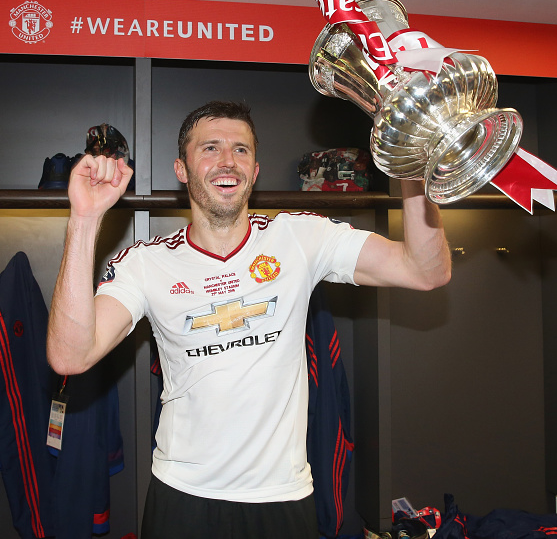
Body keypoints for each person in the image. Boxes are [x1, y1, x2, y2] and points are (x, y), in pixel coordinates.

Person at [46, 100, 451, 539]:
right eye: (210, 148)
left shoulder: (300, 236)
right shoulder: (145, 263)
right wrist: (84, 220)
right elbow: (70, 356)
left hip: (283, 499)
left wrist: (412, 171)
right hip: (182, 498)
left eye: (241, 150)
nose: (227, 162)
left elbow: (425, 271)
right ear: (181, 169)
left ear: (255, 170)